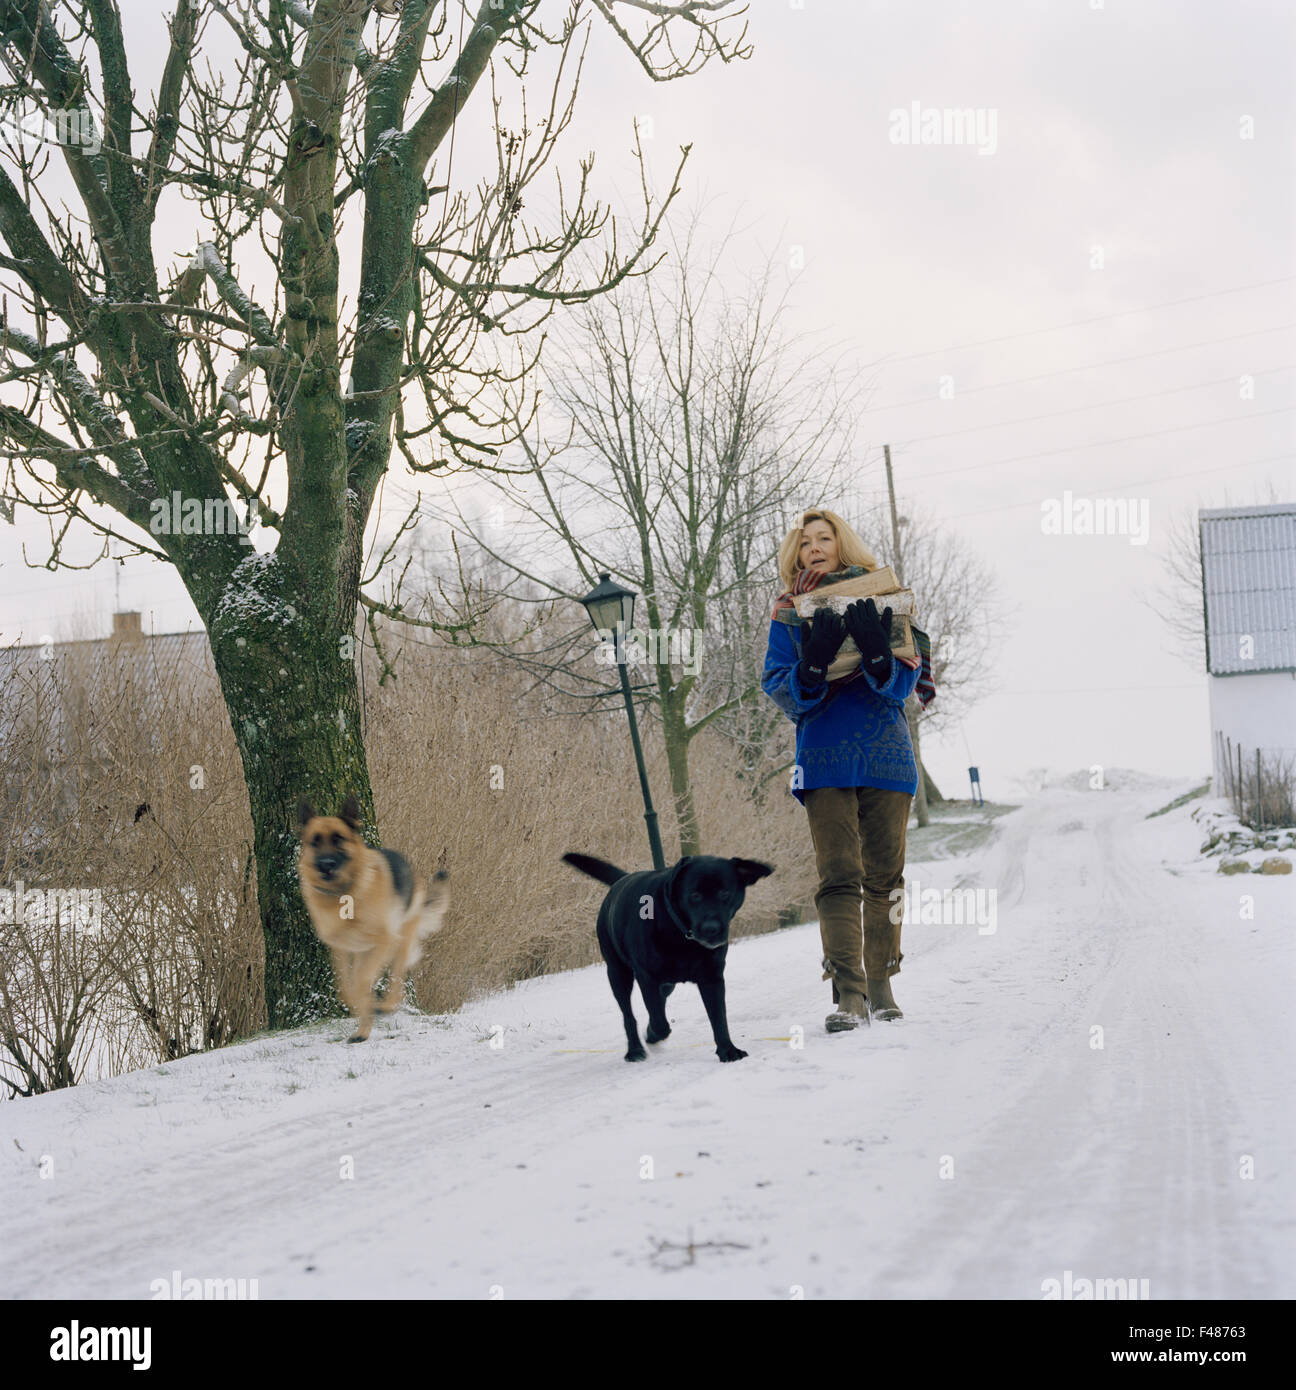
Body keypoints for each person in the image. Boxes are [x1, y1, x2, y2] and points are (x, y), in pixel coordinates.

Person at [761, 508, 924, 1032]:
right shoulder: (788, 612)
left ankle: (882, 985)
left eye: (823, 537)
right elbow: (779, 685)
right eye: (804, 540)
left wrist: (878, 656)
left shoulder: (887, 597)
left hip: (886, 755)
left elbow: (908, 684)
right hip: (824, 755)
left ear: (841, 543)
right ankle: (848, 994)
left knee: (886, 878)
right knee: (838, 877)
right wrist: (813, 663)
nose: (813, 546)